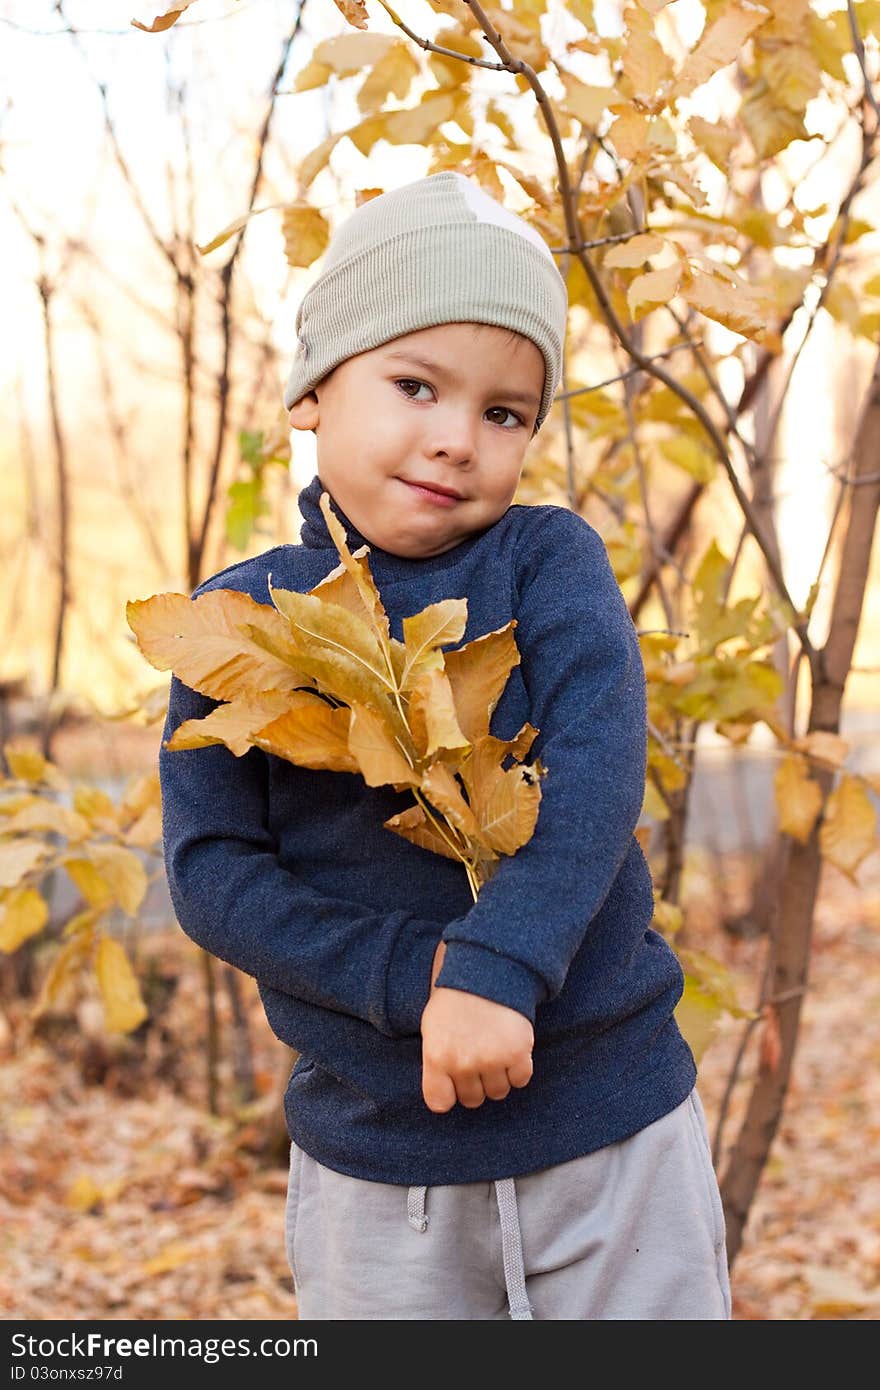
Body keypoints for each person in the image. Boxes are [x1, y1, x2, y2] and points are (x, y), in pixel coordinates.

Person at [158, 170, 731, 1320]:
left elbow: (595, 770)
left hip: (609, 1127)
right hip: (380, 1161)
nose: (457, 439)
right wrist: (418, 981)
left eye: (503, 412)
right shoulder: (238, 625)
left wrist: (499, 964)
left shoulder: (545, 561)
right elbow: (213, 874)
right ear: (314, 389)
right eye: (415, 384)